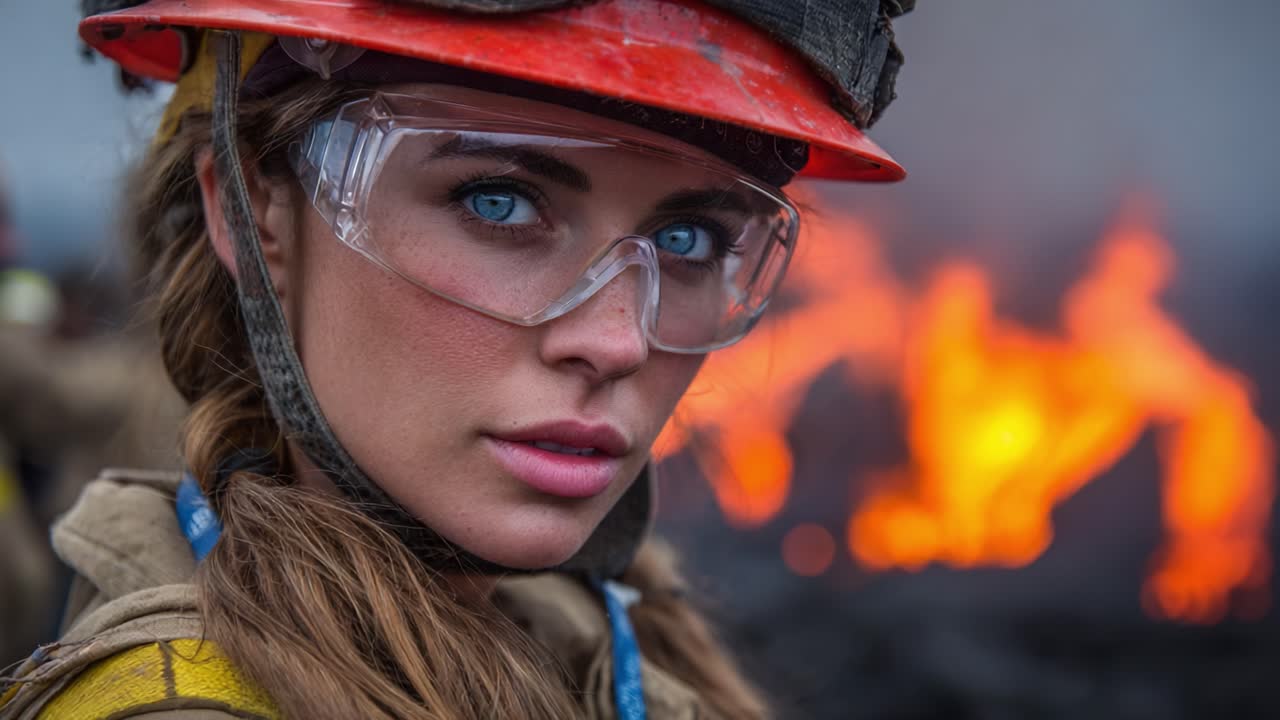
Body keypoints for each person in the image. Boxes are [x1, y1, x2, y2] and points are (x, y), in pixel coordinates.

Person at [0, 0, 912, 717]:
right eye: (499, 204)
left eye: (687, 237)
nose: (617, 340)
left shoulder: (594, 644)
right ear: (257, 215)